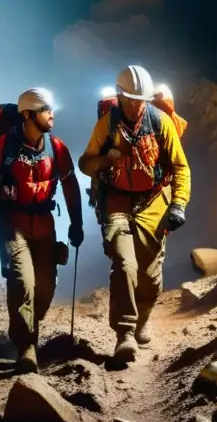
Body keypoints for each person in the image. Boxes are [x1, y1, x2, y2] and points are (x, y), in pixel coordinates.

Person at [79, 65, 191, 364]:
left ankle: (143, 319)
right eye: (129, 98)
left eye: (140, 98)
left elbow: (180, 167)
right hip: (116, 202)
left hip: (154, 202)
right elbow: (85, 164)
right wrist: (108, 157)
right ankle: (125, 333)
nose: (135, 104)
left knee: (151, 275)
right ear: (119, 96)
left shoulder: (161, 122)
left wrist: (178, 204)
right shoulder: (107, 124)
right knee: (125, 264)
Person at [0, 88, 84, 373]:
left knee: (45, 288)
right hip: (13, 222)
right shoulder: (4, 146)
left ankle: (30, 325)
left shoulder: (57, 148)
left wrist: (77, 222)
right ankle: (26, 346)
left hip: (45, 223)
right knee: (22, 281)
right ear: (28, 115)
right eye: (46, 110)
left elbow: (70, 185)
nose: (52, 115)